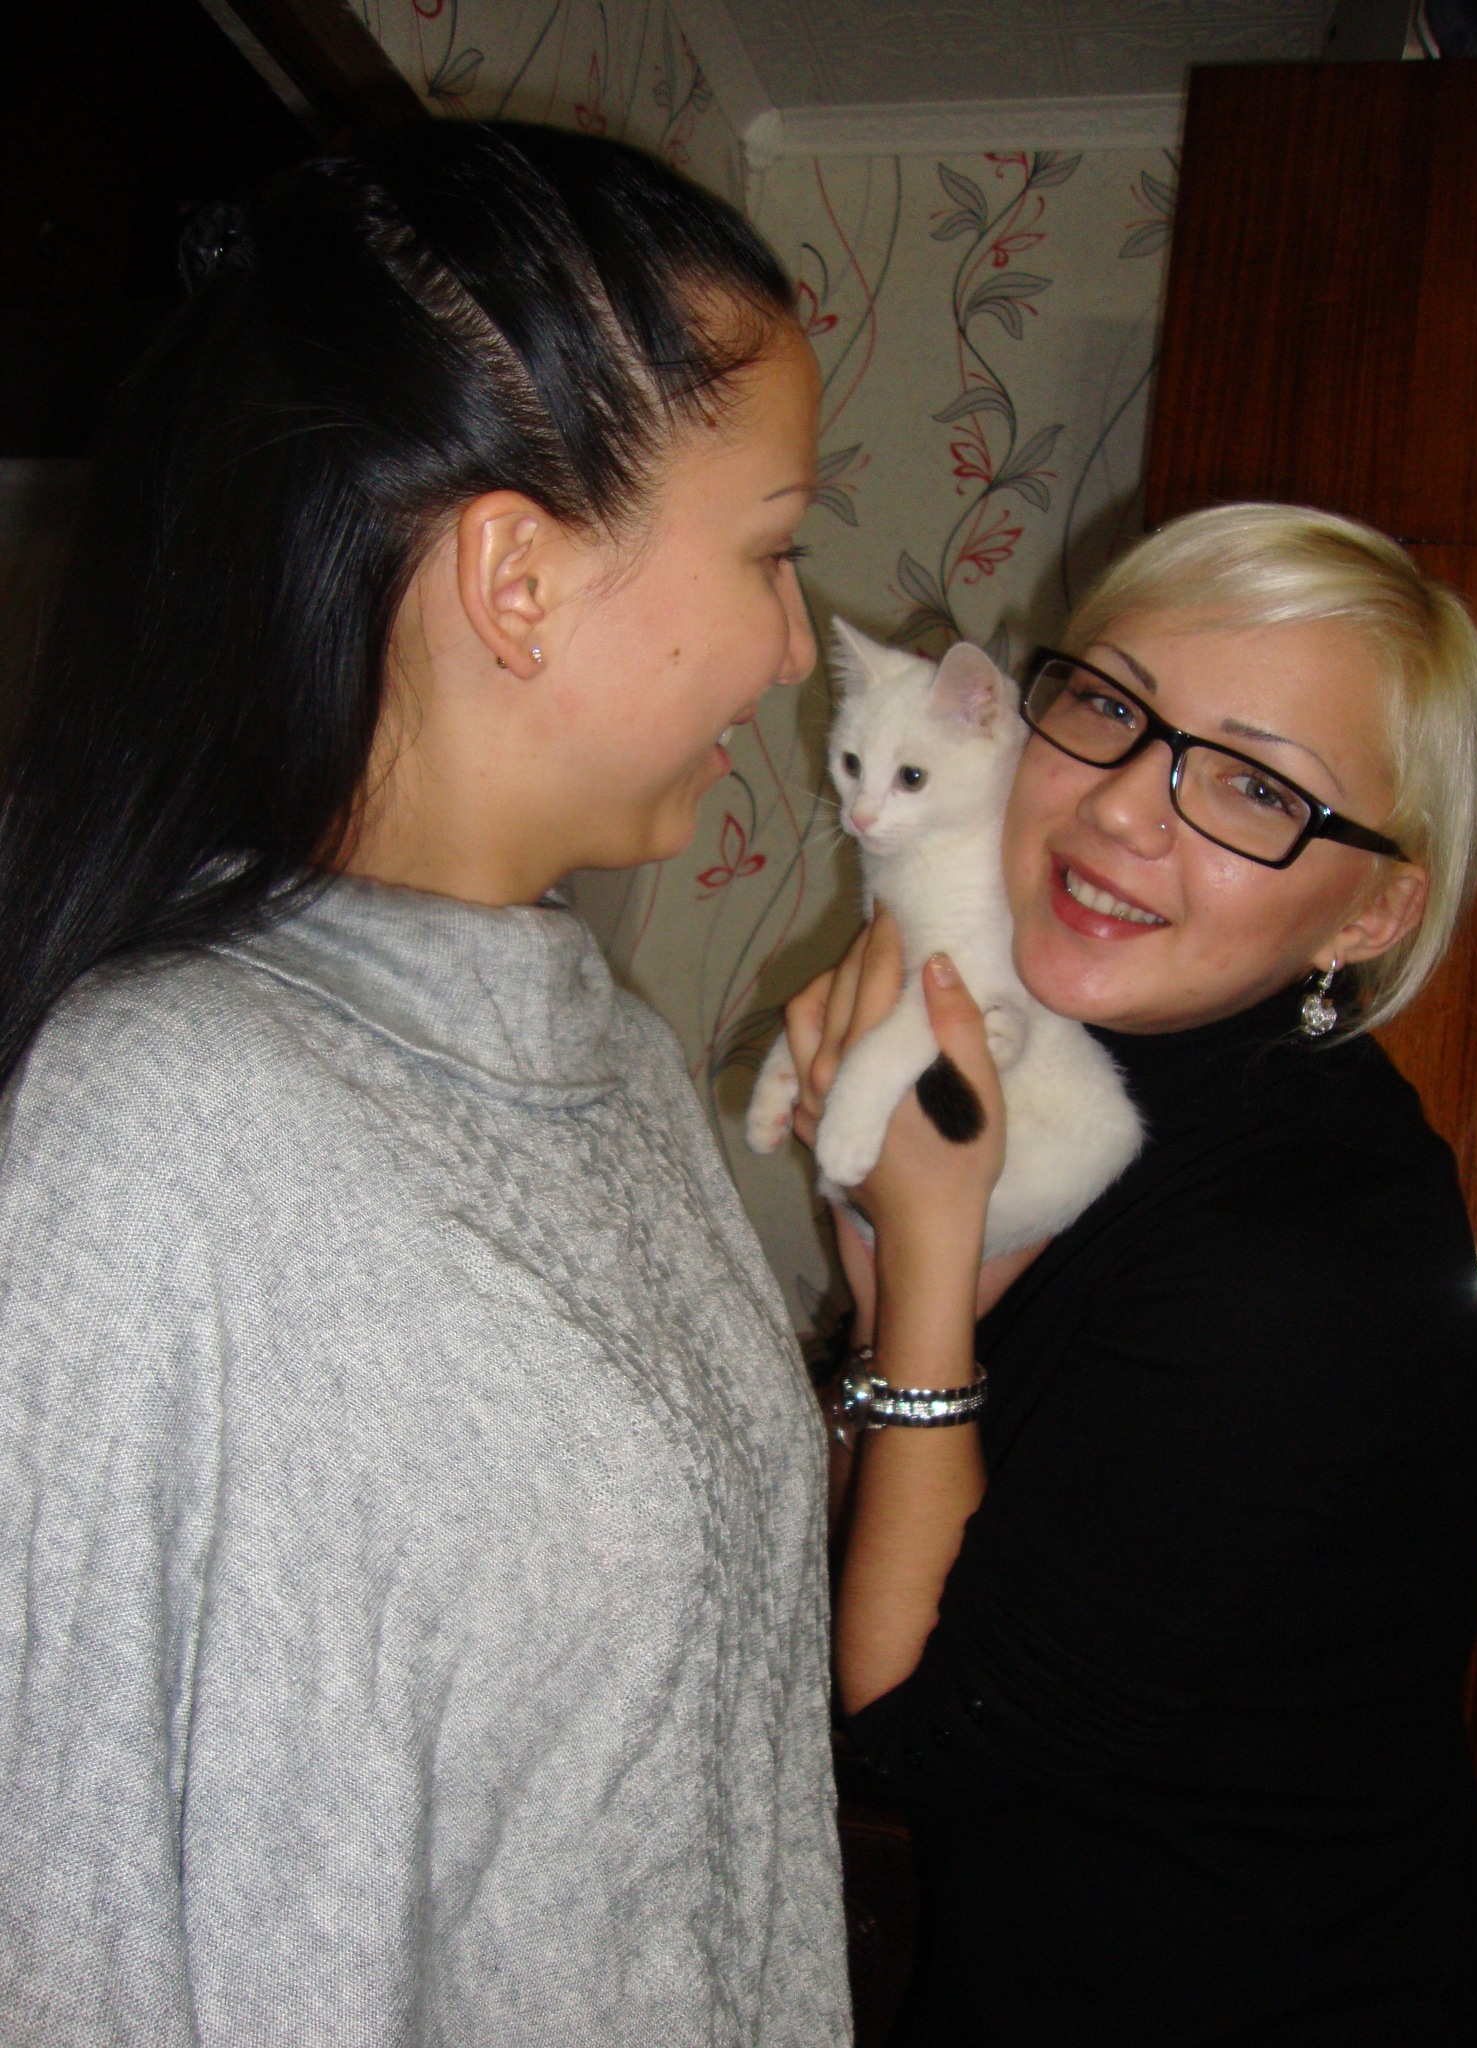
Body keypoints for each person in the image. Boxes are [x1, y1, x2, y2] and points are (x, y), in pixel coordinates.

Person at [0, 123, 851, 2046]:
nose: (795, 646)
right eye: (774, 551)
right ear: (517, 577)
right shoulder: (157, 1126)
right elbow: (57, 1918)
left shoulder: (620, 1064)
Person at [785, 505, 1477, 2045]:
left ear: (1373, 909)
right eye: (1112, 707)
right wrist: (890, 1268)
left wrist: (924, 1266)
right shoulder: (1083, 1078)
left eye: (1257, 787)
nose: (1121, 807)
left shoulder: (1308, 1244)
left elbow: (917, 1742)